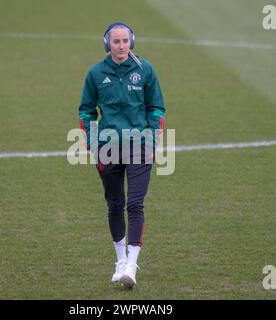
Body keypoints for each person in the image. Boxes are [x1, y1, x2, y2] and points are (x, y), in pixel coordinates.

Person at [78, 22, 165, 288]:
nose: (121, 46)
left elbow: (156, 108)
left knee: (135, 204)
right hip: (108, 147)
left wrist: (152, 141)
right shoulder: (95, 73)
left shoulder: (145, 70)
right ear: (107, 44)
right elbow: (86, 111)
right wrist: (92, 143)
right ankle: (119, 261)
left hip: (139, 145)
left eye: (125, 41)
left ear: (132, 42)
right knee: (114, 204)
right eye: (116, 42)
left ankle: (131, 265)